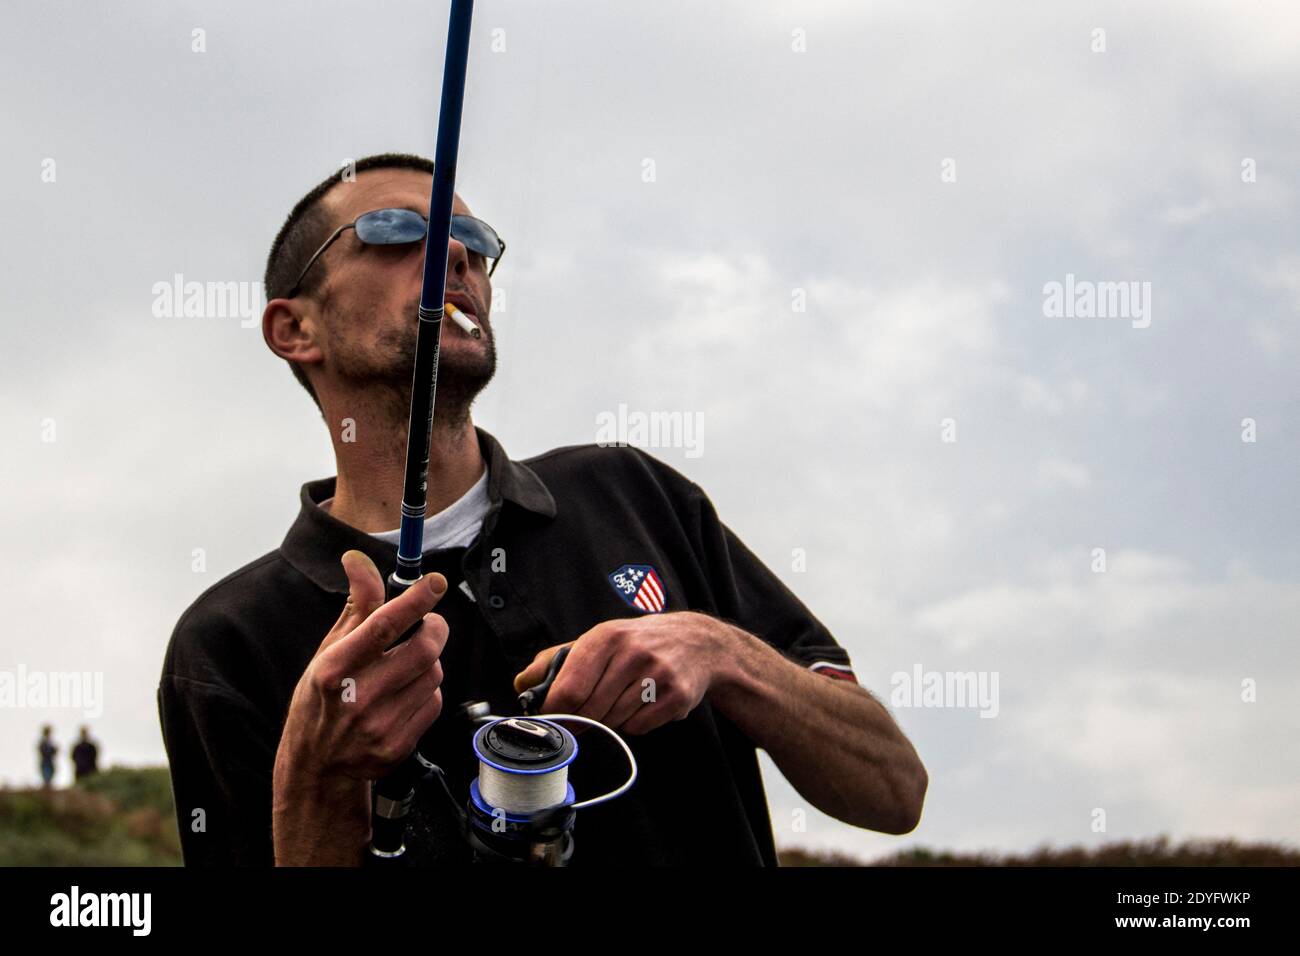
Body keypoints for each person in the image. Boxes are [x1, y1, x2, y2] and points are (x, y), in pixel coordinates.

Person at [157, 153, 928, 866]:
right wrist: (315, 782)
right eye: (395, 232)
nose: (454, 255)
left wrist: (719, 653)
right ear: (295, 330)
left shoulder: (633, 494)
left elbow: (894, 790)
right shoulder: (226, 645)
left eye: (471, 239)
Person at [37, 726, 57, 790]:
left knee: (49, 777)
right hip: (45, 762)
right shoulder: (43, 742)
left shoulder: (50, 742)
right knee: (47, 777)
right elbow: (42, 751)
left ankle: (47, 788)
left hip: (50, 762)